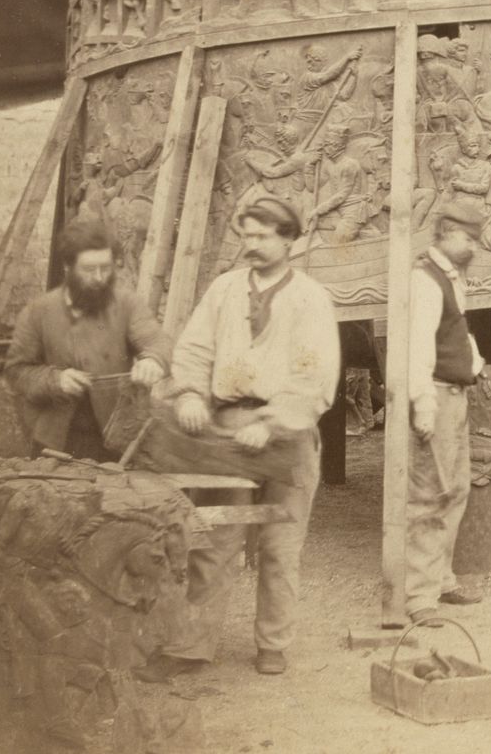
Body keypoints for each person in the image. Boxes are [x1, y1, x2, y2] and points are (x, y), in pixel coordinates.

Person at [145, 197, 340, 679]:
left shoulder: (310, 297)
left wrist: (271, 423)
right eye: (246, 236)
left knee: (280, 545)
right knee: (214, 539)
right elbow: (193, 348)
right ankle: (192, 646)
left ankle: (273, 642)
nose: (250, 245)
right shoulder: (224, 289)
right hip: (226, 433)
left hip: (287, 435)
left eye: (262, 236)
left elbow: (316, 375)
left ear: (289, 239)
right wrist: (189, 394)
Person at [4, 223, 168, 460]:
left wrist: (153, 360)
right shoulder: (38, 311)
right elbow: (16, 373)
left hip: (115, 439)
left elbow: (157, 341)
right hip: (55, 441)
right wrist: (54, 380)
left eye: (106, 268)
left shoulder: (127, 304)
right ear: (67, 267)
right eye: (89, 269)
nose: (100, 278)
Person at [402, 213, 486, 626]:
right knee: (428, 496)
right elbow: (417, 345)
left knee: (455, 490)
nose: (474, 247)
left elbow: (457, 329)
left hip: (456, 393)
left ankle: (441, 579)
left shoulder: (451, 276)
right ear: (447, 235)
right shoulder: (425, 278)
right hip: (435, 393)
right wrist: (422, 404)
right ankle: (419, 597)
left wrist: (475, 360)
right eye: (469, 238)